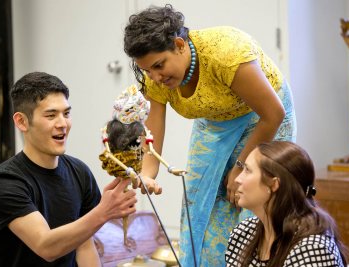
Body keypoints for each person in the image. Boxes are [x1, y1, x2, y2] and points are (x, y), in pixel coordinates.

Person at [123, 4, 296, 266]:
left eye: (159, 65)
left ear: (179, 44)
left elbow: (273, 114)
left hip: (264, 117)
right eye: (147, 70)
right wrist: (146, 174)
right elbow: (152, 136)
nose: (155, 77)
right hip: (215, 121)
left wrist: (241, 165)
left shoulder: (226, 53)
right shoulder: (155, 79)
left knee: (250, 197)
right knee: (198, 201)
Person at [0, 72, 137, 267]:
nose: (63, 124)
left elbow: (84, 246)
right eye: (51, 115)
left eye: (66, 114)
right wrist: (103, 212)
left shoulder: (79, 172)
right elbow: (46, 246)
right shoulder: (6, 181)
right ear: (22, 121)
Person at [226, 141, 348, 267]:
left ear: (273, 184)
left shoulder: (312, 249)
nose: (237, 179)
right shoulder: (242, 234)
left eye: (248, 170)